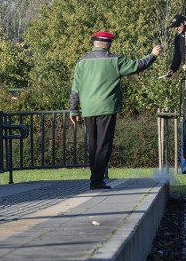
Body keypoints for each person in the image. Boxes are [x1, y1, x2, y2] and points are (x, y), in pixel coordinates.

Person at [69, 31, 162, 190]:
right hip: (106, 107)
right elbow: (137, 66)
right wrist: (153, 54)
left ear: (94, 44)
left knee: (93, 145)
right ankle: (97, 181)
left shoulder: (81, 62)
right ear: (108, 45)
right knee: (103, 144)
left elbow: (75, 89)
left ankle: (95, 179)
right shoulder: (115, 60)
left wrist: (73, 110)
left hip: (88, 109)